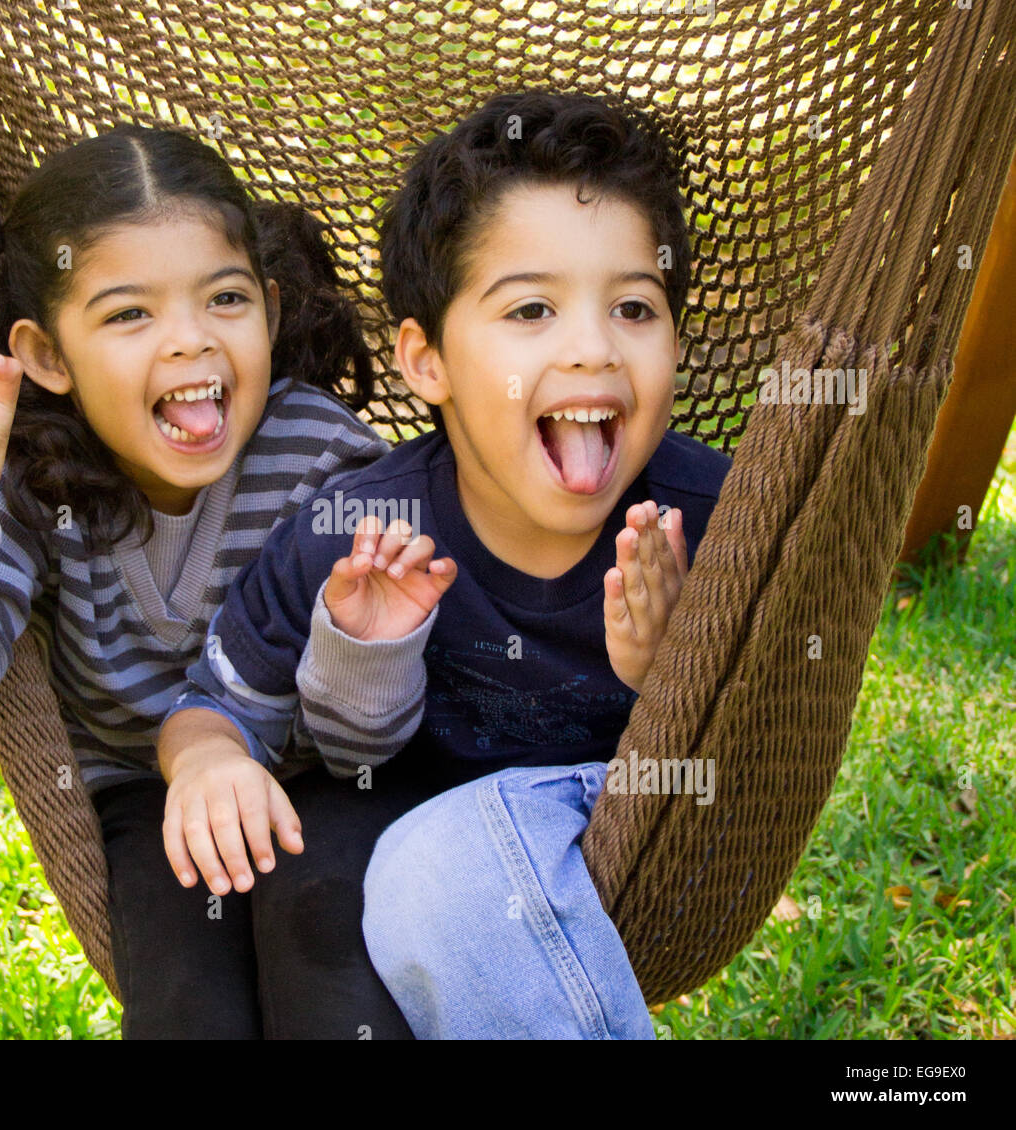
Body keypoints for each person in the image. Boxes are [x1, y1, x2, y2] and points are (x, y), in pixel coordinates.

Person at [158, 89, 732, 1038]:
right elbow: (208, 707)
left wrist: (678, 673)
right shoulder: (363, 531)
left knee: (442, 860)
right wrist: (212, 760)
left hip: (634, 830)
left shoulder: (723, 526)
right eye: (532, 309)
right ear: (427, 363)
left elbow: (768, 751)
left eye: (635, 306)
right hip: (422, 859)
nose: (592, 348)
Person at [0, 122, 392, 1039]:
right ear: (49, 355)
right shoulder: (29, 488)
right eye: (129, 313)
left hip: (325, 777)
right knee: (189, 1010)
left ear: (266, 306)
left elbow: (383, 719)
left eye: (225, 298)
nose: (188, 342)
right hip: (146, 795)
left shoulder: (324, 459)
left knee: (332, 967)